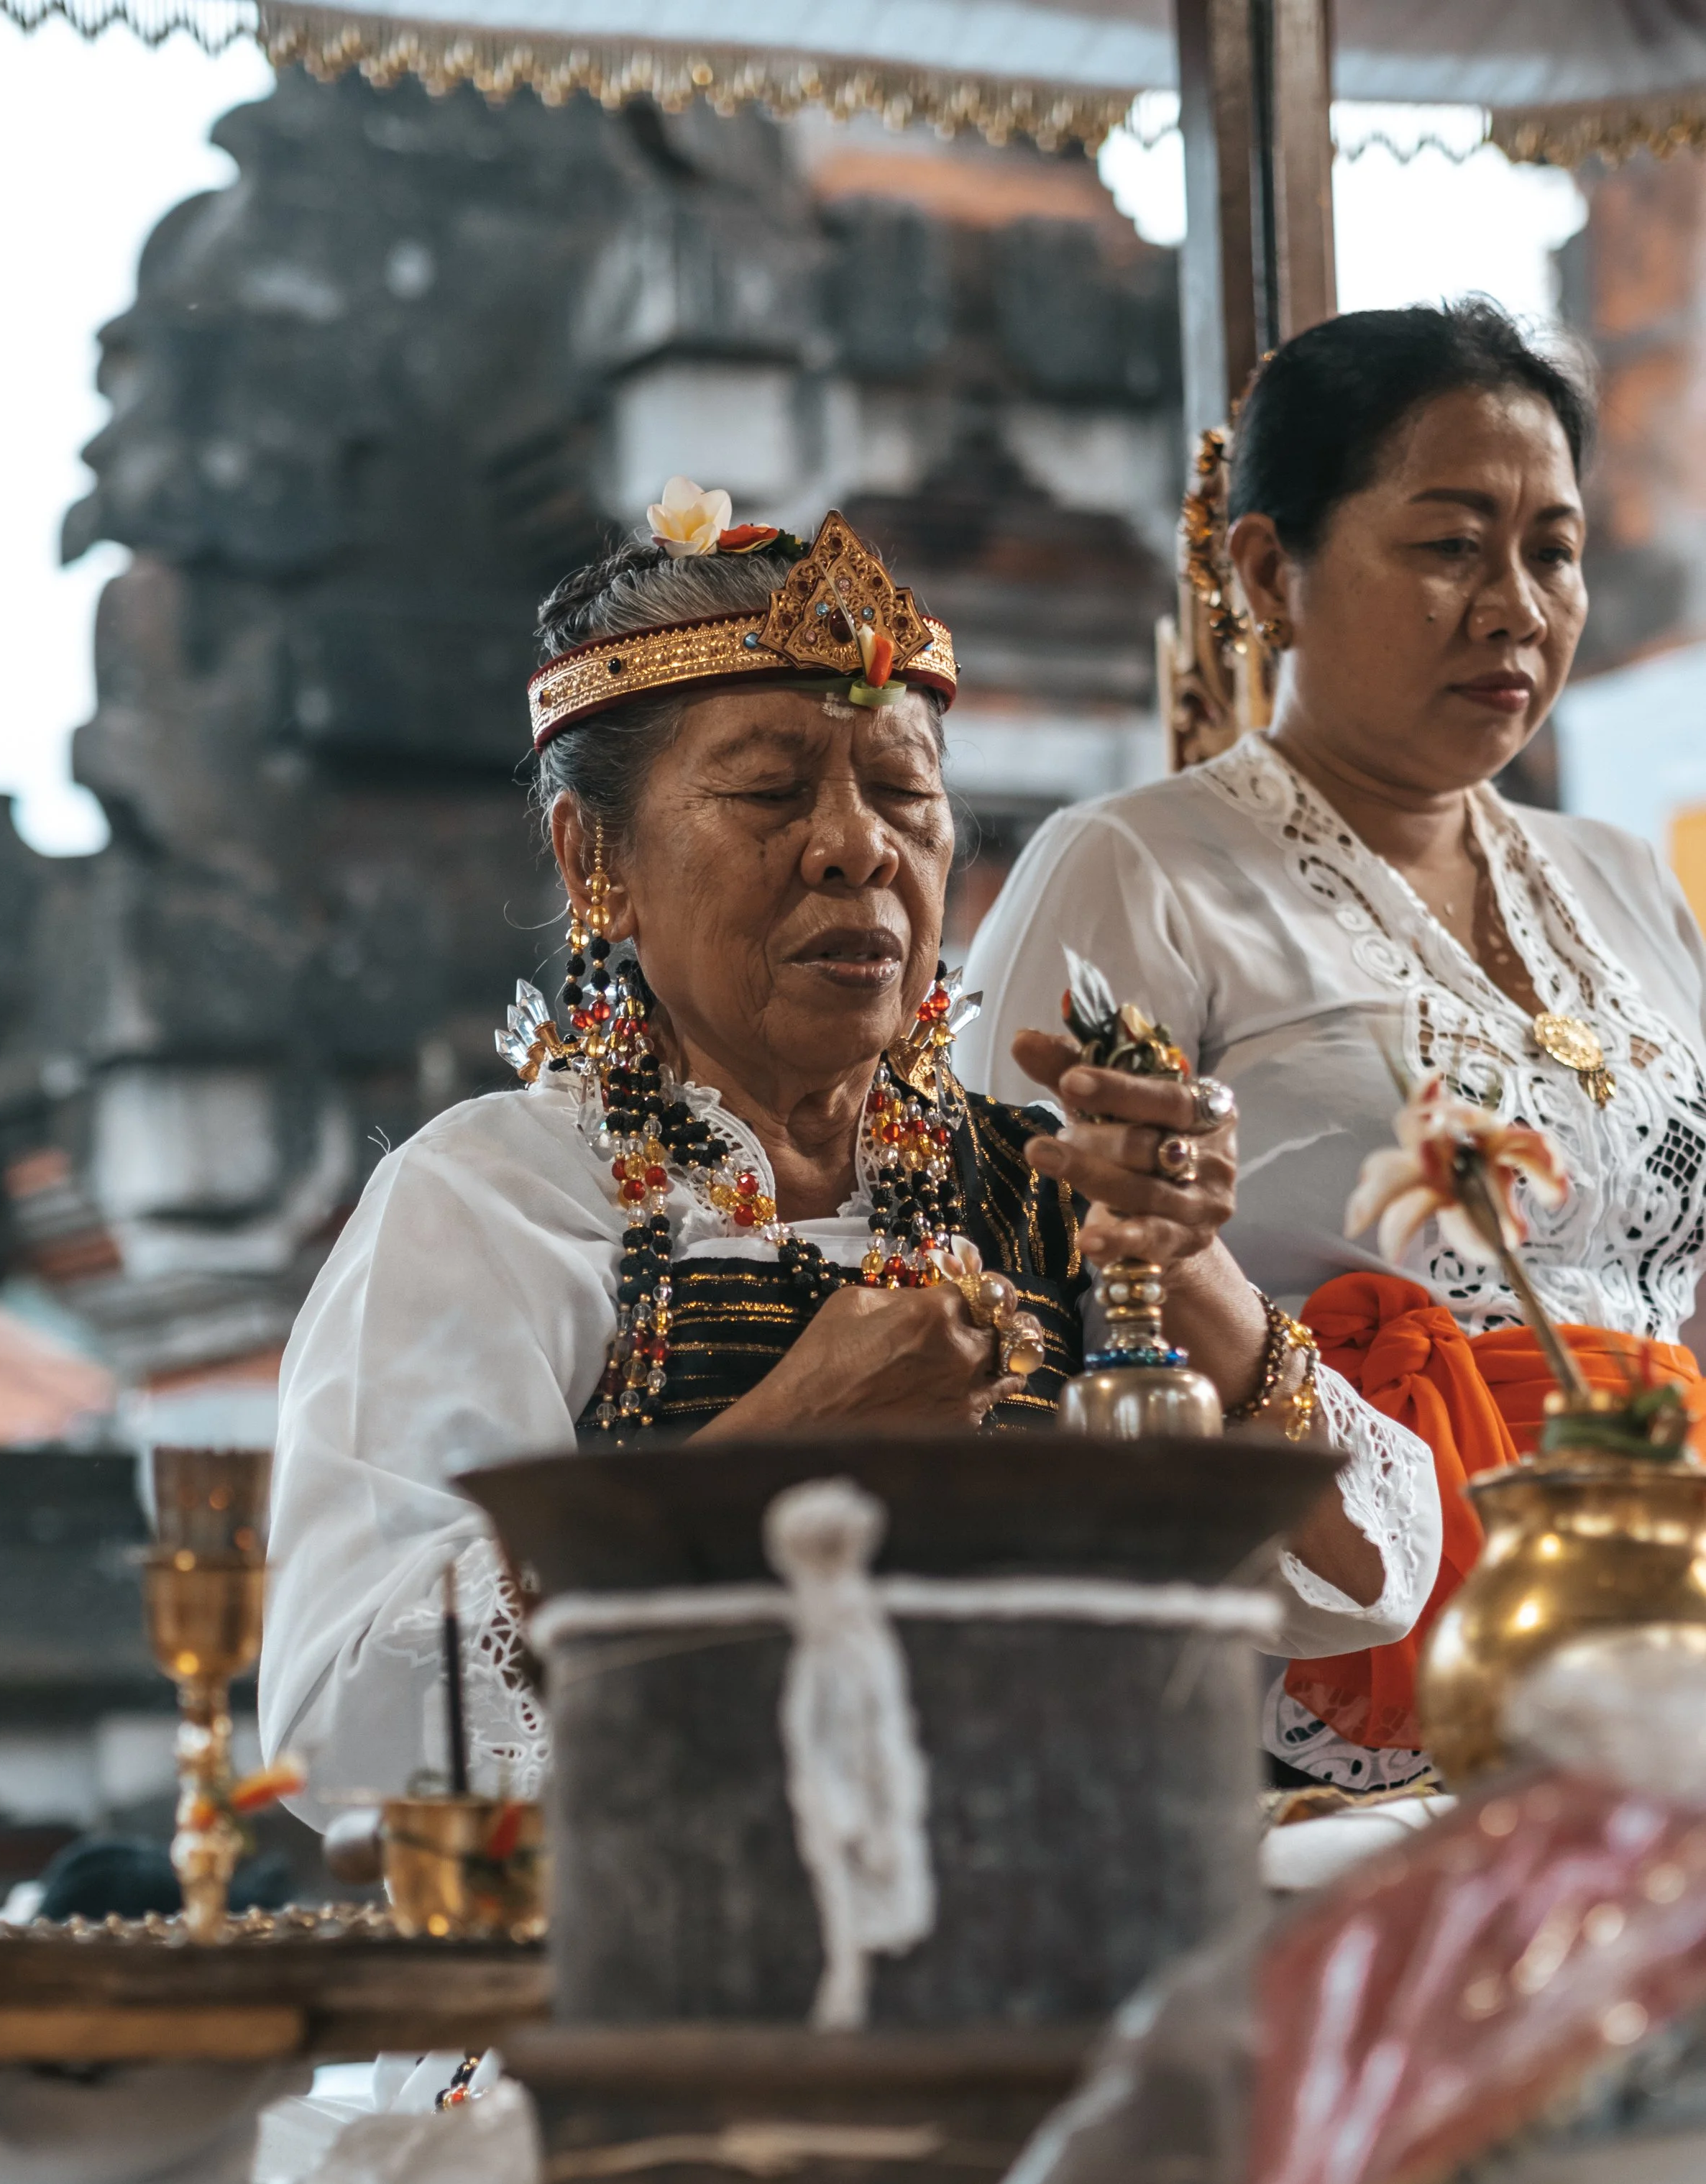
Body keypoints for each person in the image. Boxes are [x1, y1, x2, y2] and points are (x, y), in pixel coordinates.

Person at [259, 483, 1436, 1808]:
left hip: (1048, 1941)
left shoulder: (1037, 1187)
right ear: (598, 865)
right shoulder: (497, 1203)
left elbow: (1370, 1583)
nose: (856, 847)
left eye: (902, 792)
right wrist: (784, 1447)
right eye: (770, 792)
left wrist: (1189, 1267)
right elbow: (343, 1727)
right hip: (665, 1972)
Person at [961, 301, 1706, 1792]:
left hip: (1661, 1647)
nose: (1513, 606)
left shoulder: (1625, 881)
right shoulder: (1131, 867)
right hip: (1325, 1660)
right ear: (1264, 572)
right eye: (1447, 545)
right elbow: (1004, 1314)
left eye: (1549, 550)